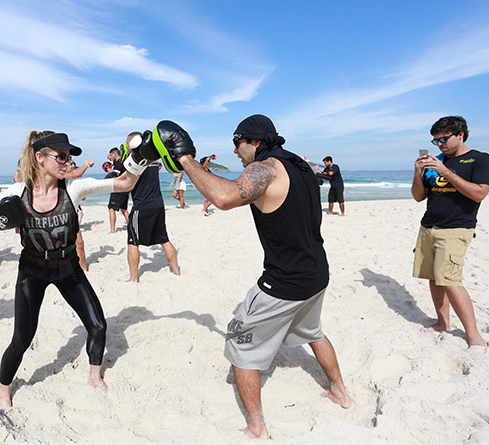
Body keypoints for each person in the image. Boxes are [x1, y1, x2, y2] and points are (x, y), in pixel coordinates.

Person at [163, 115, 351, 438]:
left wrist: (186, 161)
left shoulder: (267, 168)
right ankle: (340, 392)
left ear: (255, 142)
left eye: (238, 143)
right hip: (317, 273)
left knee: (240, 346)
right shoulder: (301, 167)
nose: (235, 151)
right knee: (314, 332)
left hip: (283, 283)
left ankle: (255, 427)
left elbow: (224, 197)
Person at [0, 129, 147, 408]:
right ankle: (4, 390)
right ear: (40, 158)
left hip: (68, 268)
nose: (68, 162)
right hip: (32, 271)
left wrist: (140, 157)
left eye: (69, 157)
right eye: (62, 156)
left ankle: (94, 375)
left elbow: (126, 183)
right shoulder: (17, 193)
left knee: (98, 325)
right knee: (22, 339)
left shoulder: (74, 188)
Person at [411, 115, 489, 351]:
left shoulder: (479, 159)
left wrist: (445, 171)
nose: (440, 144)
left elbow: (479, 193)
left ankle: (474, 336)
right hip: (428, 227)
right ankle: (442, 322)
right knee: (434, 277)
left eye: (444, 139)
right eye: (435, 140)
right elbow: (419, 196)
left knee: (450, 280)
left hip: (456, 228)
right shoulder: (436, 161)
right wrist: (418, 173)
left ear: (460, 135)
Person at [126, 132, 180, 282]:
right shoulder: (154, 159)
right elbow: (159, 166)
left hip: (141, 206)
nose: (127, 146)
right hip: (158, 204)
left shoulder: (133, 161)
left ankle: (133, 277)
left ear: (134, 143)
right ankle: (176, 271)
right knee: (164, 239)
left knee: (133, 241)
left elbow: (126, 184)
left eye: (128, 142)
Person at [106, 147, 130, 233]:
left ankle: (112, 230)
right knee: (123, 209)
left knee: (111, 208)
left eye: (111, 155)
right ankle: (130, 226)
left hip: (119, 188)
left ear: (114, 154)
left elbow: (115, 175)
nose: (110, 157)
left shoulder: (119, 163)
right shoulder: (124, 162)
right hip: (126, 188)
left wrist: (108, 169)